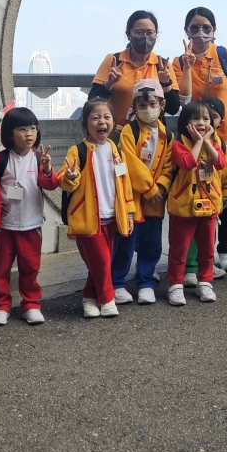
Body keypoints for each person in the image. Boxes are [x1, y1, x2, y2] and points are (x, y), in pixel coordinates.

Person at [171, 7, 227, 273]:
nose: (200, 33)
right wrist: (187, 67)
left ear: (214, 30)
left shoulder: (226, 56)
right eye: (194, 27)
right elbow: (183, 100)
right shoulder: (179, 62)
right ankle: (199, 255)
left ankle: (225, 249)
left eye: (206, 27)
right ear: (186, 31)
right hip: (198, 137)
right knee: (199, 190)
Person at [57, 97, 137, 318]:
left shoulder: (116, 150)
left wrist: (129, 213)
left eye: (106, 117)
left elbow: (125, 183)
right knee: (101, 262)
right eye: (95, 118)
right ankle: (107, 299)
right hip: (88, 218)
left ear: (113, 122)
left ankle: (89, 297)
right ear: (85, 123)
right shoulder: (78, 151)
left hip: (113, 216)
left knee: (101, 262)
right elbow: (64, 181)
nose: (102, 121)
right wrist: (70, 176)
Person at [0, 106, 59, 326]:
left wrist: (47, 169)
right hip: (5, 226)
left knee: (30, 268)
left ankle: (31, 304)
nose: (29, 133)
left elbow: (50, 185)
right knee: (2, 269)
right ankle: (1, 306)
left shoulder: (39, 158)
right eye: (22, 129)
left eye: (33, 128)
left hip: (31, 224)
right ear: (10, 133)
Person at [115, 80, 173, 305]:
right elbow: (131, 163)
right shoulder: (129, 131)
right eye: (142, 105)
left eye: (152, 104)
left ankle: (146, 282)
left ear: (162, 105)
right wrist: (150, 189)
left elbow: (169, 166)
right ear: (134, 106)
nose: (147, 109)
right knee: (126, 242)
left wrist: (161, 187)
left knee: (152, 243)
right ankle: (117, 282)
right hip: (133, 198)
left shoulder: (168, 135)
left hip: (155, 202)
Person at [165, 100, 227, 306]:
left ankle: (205, 282)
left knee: (207, 249)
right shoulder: (178, 143)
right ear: (185, 122)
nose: (201, 123)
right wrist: (199, 142)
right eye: (195, 118)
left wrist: (207, 142)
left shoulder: (215, 142)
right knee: (179, 249)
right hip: (183, 207)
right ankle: (175, 284)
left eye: (206, 119)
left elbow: (221, 163)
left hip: (209, 204)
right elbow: (187, 163)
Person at [90, 10, 181, 126]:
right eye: (139, 32)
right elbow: (93, 100)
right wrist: (109, 83)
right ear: (128, 34)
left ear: (155, 35)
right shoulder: (113, 60)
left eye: (150, 32)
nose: (145, 37)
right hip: (118, 132)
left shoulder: (162, 65)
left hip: (151, 133)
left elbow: (173, 109)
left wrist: (165, 84)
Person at [183, 96, 227, 285]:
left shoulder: (221, 144)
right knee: (190, 238)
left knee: (208, 237)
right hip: (189, 197)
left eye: (211, 117)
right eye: (199, 117)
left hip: (211, 197)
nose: (204, 122)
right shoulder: (184, 141)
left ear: (219, 121)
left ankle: (207, 267)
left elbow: (226, 170)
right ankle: (190, 268)